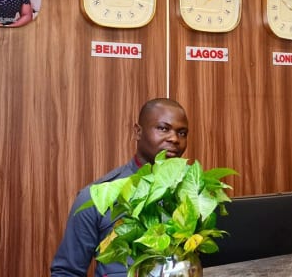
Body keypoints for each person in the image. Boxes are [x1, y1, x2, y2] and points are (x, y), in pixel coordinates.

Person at [50, 98, 190, 277]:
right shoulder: (97, 196)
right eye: (163, 129)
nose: (174, 139)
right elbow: (66, 272)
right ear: (138, 132)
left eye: (182, 133)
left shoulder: (194, 195)